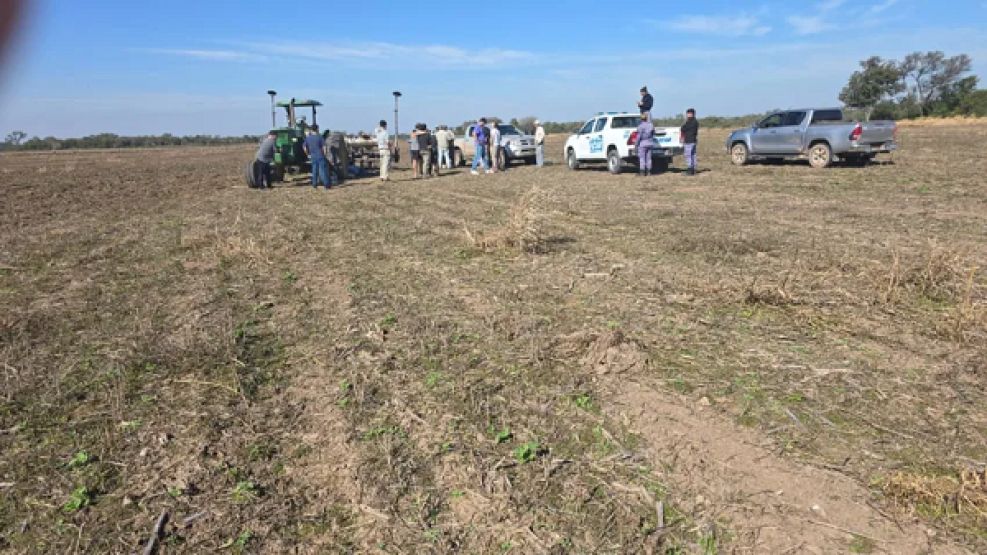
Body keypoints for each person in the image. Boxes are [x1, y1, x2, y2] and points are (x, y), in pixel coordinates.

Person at [303, 124, 330, 189]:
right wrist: (325, 154)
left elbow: (304, 147)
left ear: (311, 130)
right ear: (317, 129)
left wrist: (307, 154)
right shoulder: (320, 137)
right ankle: (326, 185)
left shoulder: (308, 138)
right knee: (322, 171)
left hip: (313, 156)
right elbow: (324, 147)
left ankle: (314, 184)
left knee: (314, 170)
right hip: (320, 155)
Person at [680, 108, 699, 176]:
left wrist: (685, 122)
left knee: (688, 155)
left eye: (688, 113)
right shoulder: (696, 121)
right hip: (693, 140)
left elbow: (683, 128)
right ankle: (693, 169)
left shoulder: (689, 122)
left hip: (688, 140)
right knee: (693, 155)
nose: (687, 115)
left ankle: (690, 170)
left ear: (691, 114)